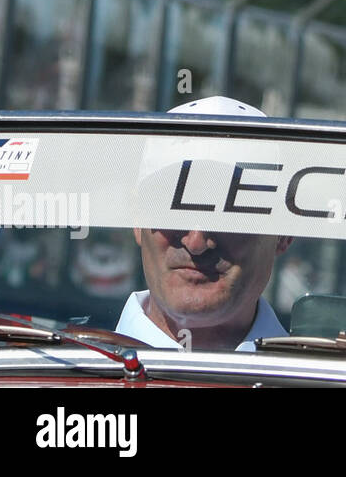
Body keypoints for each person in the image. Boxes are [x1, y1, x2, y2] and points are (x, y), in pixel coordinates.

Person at [115, 96, 291, 351]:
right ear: (137, 217)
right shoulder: (49, 370)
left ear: (285, 232)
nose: (196, 242)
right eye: (173, 206)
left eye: (228, 210)